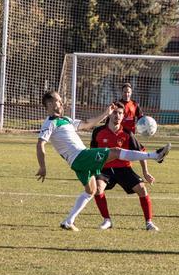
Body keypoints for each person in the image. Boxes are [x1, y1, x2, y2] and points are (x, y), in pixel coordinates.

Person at [36, 91, 170, 231]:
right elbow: (40, 143)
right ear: (50, 104)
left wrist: (106, 113)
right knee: (116, 151)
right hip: (81, 156)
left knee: (91, 190)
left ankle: (69, 221)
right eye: (58, 100)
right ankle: (155, 156)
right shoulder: (50, 123)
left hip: (78, 162)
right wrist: (42, 167)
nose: (61, 102)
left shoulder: (66, 120)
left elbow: (87, 124)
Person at [91, 101, 159, 231]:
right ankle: (107, 220)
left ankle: (149, 223)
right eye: (115, 112)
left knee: (142, 189)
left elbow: (141, 153)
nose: (117, 115)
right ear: (110, 114)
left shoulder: (127, 133)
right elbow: (92, 152)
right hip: (105, 169)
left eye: (120, 113)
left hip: (124, 169)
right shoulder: (98, 132)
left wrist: (145, 172)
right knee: (98, 189)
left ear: (123, 116)